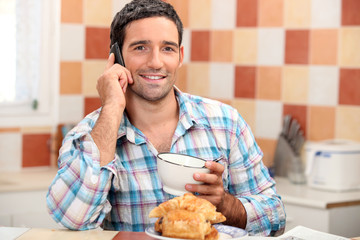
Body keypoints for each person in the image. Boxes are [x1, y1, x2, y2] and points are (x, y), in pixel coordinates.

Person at [47, 0, 286, 236]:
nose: (156, 62)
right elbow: (73, 220)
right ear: (116, 57)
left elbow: (275, 215)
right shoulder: (88, 135)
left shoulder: (226, 123)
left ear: (180, 56)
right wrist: (111, 108)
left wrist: (225, 203)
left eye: (167, 48)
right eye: (140, 47)